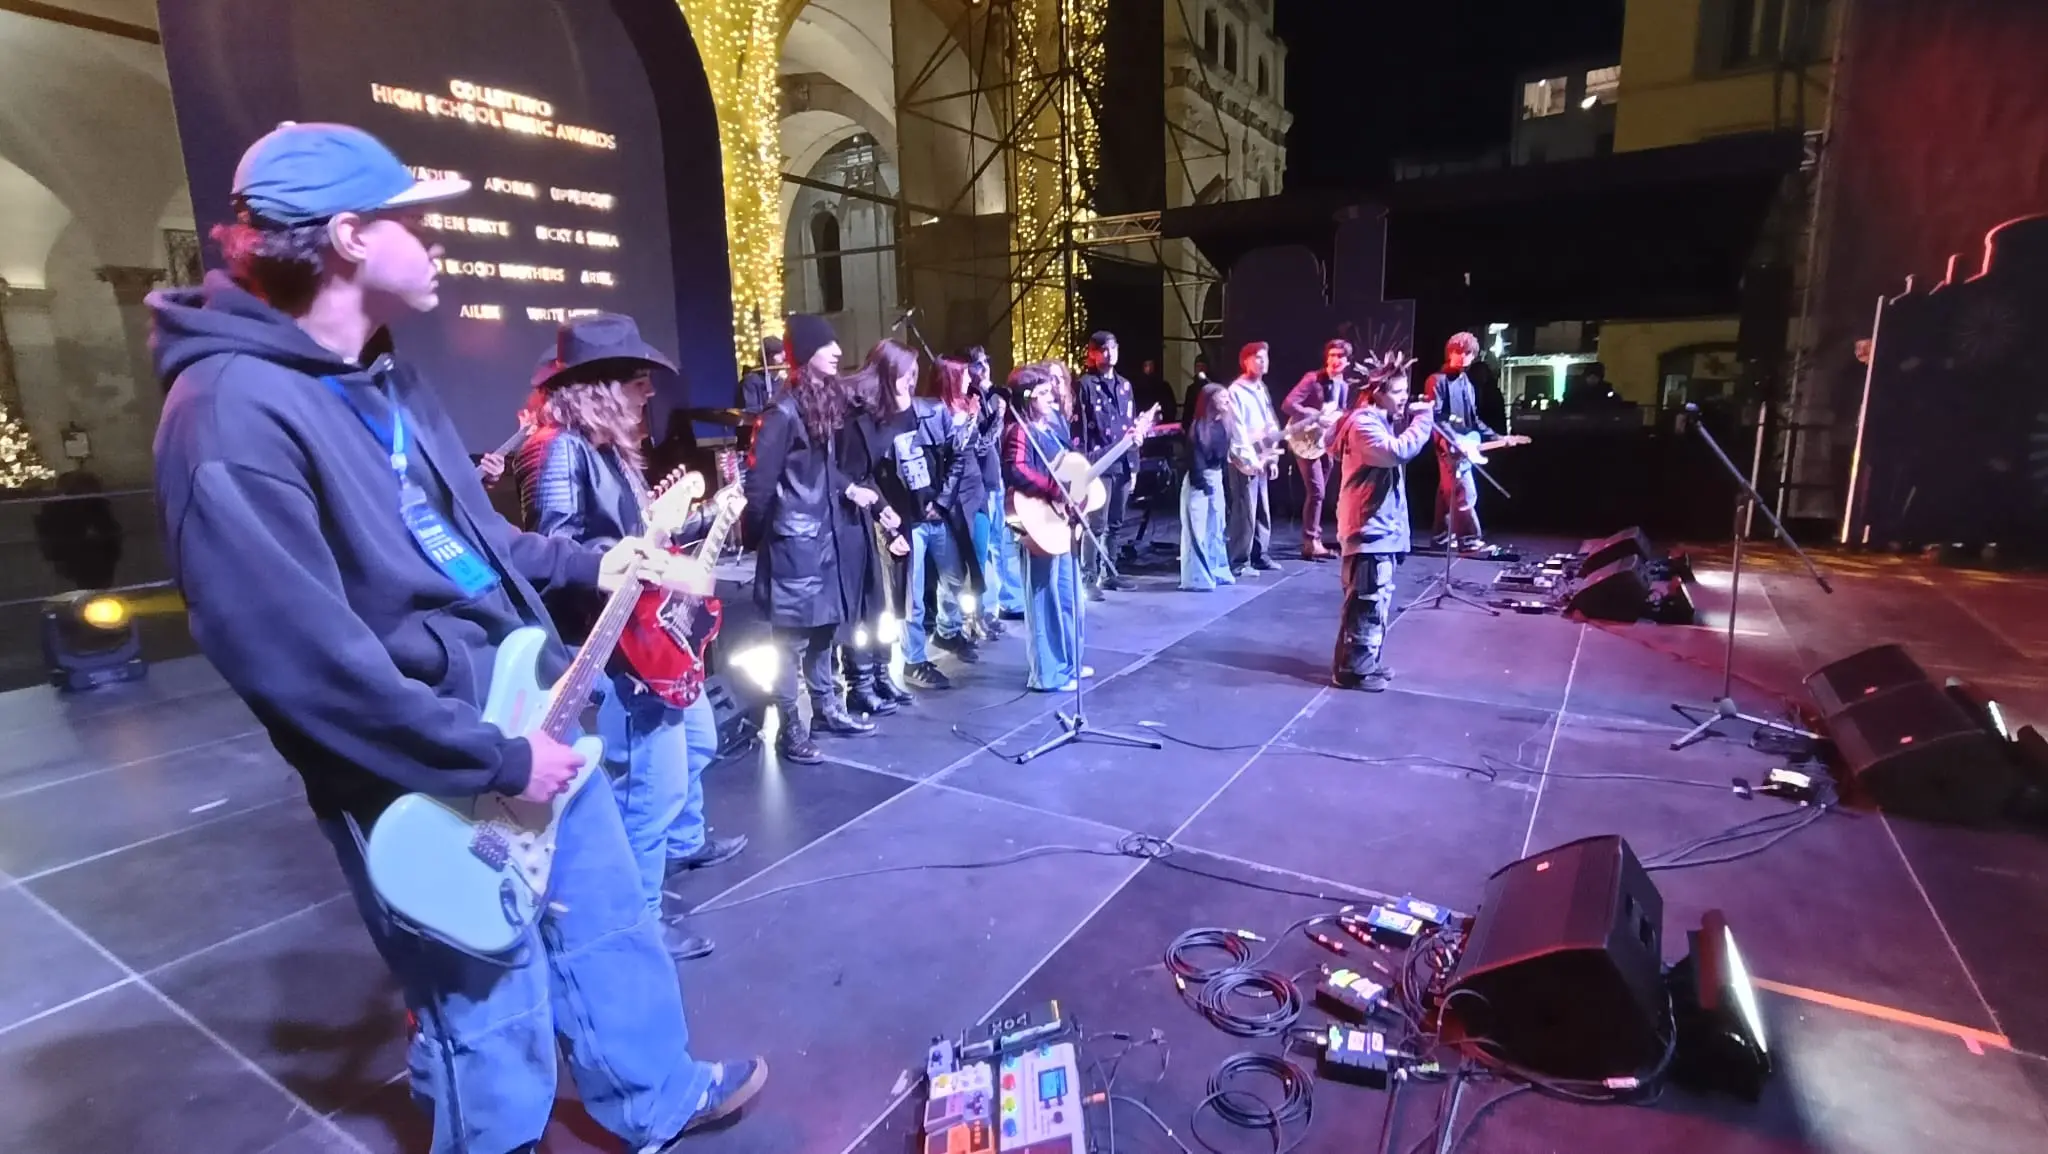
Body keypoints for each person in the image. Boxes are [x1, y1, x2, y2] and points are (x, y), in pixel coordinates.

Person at [149, 123, 765, 1154]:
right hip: (418, 756)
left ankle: (651, 1093)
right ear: (346, 237)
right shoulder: (225, 417)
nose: (437, 238)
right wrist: (495, 758)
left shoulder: (384, 375)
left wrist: (589, 567)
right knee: (489, 1001)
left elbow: (475, 541)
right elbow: (304, 666)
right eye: (412, 218)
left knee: (609, 917)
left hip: (528, 705)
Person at [512, 313, 748, 963]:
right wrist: (628, 555)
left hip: (648, 637)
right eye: (639, 382)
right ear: (602, 386)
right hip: (616, 647)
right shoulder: (560, 447)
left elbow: (644, 535)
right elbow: (555, 551)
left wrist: (706, 516)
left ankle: (682, 844)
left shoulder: (609, 448)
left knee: (698, 740)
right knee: (653, 783)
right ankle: (638, 920)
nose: (650, 395)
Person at [741, 313, 878, 764]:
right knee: (790, 643)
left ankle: (826, 709)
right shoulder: (780, 413)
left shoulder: (819, 402)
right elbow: (759, 484)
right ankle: (789, 728)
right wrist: (758, 537)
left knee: (823, 633)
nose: (838, 351)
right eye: (827, 345)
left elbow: (820, 471)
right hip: (794, 544)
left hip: (823, 539)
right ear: (805, 356)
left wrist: (847, 488)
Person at [1330, 353, 1434, 692]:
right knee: (1366, 600)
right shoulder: (1363, 424)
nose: (1405, 397)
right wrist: (1423, 422)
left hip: (1380, 528)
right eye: (1398, 391)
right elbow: (1397, 452)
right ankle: (1353, 671)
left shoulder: (1378, 419)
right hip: (1368, 529)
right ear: (1376, 392)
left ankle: (1366, 663)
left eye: (1406, 390)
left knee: (1375, 600)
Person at [836, 340, 922, 708]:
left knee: (878, 602)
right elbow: (833, 469)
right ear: (888, 373)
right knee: (858, 604)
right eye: (908, 374)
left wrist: (884, 512)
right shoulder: (852, 408)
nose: (913, 382)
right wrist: (855, 492)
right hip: (838, 516)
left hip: (863, 507)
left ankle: (879, 676)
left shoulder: (887, 415)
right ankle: (858, 684)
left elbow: (866, 472)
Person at [1000, 364, 1092, 692]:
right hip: (1037, 520)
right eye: (1040, 393)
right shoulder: (1019, 431)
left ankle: (1069, 662)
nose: (1049, 395)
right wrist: (1052, 489)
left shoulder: (1049, 426)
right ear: (1026, 398)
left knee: (1068, 595)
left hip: (1059, 521)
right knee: (1042, 597)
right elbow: (1016, 470)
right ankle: (1047, 673)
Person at [1072, 332, 1138, 594]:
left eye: (1112, 348)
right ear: (1093, 353)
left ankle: (1109, 572)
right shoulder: (1085, 385)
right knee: (1095, 523)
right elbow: (1080, 430)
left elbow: (1131, 426)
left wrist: (1133, 465)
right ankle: (1088, 577)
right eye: (1103, 350)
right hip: (1098, 464)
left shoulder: (1125, 386)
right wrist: (1083, 467)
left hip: (1122, 463)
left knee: (1116, 523)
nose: (1108, 354)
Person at [965, 346, 1022, 630]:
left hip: (996, 479)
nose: (984, 368)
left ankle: (1010, 600)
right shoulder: (968, 401)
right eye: (977, 364)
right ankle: (984, 609)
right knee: (985, 547)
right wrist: (998, 416)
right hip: (979, 483)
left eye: (985, 362)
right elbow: (981, 444)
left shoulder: (992, 395)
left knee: (1003, 543)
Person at [1425, 331, 1496, 552]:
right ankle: (1469, 541)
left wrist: (1497, 437)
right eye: (1458, 352)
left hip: (1465, 443)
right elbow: (1434, 416)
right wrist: (1454, 441)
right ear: (1450, 352)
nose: (1463, 357)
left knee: (1447, 492)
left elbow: (1473, 420)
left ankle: (1441, 538)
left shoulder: (1467, 383)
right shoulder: (1436, 381)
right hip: (1448, 446)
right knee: (1465, 492)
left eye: (1468, 353)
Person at [1284, 339, 1354, 560]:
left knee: (1320, 493)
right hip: (1304, 438)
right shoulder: (1312, 379)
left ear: (1347, 361)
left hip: (1324, 441)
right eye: (1331, 355)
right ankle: (1310, 541)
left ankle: (1315, 539)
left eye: (1340, 357)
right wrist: (1312, 415)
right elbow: (1288, 404)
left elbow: (1340, 411)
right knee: (1317, 491)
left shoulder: (1343, 385)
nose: (1335, 360)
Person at [1225, 342, 1281, 577]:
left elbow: (1270, 423)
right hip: (1244, 459)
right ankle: (1239, 560)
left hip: (1262, 455)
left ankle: (1260, 553)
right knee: (1245, 509)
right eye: (1257, 357)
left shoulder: (1261, 389)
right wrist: (1250, 459)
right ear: (1245, 360)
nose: (1262, 361)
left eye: (1265, 357)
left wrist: (1272, 456)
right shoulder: (1236, 391)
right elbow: (1236, 431)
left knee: (1262, 508)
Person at [1179, 375, 1235, 592]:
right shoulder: (1198, 429)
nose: (1227, 403)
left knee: (1216, 526)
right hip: (1198, 482)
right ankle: (1196, 578)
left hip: (1216, 477)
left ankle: (1218, 569)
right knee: (1197, 530)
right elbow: (1194, 462)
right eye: (1223, 399)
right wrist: (1203, 484)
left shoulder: (1225, 426)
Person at [738, 335, 787, 413]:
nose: (784, 357)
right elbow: (750, 410)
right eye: (778, 353)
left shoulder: (781, 382)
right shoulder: (751, 381)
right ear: (769, 357)